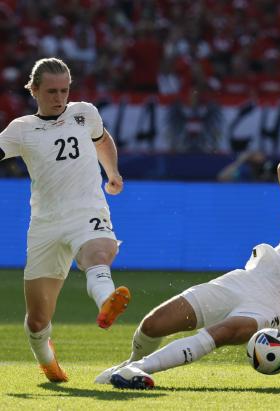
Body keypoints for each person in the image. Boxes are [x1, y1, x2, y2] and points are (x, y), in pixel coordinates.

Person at [95, 118, 280, 389]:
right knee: (155, 323)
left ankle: (141, 370)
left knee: (225, 332)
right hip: (245, 280)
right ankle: (128, 365)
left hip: (276, 308)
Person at [0, 58, 130, 383]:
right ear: (34, 90)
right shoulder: (21, 130)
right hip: (45, 225)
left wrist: (112, 173)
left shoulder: (85, 113)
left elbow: (102, 140)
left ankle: (107, 301)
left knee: (98, 253)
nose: (60, 98)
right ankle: (47, 361)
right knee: (36, 320)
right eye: (52, 91)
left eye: (65, 90)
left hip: (87, 210)